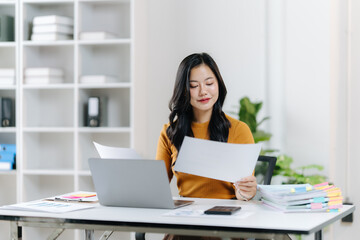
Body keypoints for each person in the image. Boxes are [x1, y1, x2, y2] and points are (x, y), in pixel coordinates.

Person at [156, 53, 257, 239]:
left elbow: (242, 192)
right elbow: (156, 188)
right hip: (187, 222)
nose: (203, 91)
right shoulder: (170, 132)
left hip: (226, 222)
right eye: (194, 86)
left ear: (219, 85)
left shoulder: (239, 130)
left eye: (209, 83)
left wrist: (246, 192)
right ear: (184, 90)